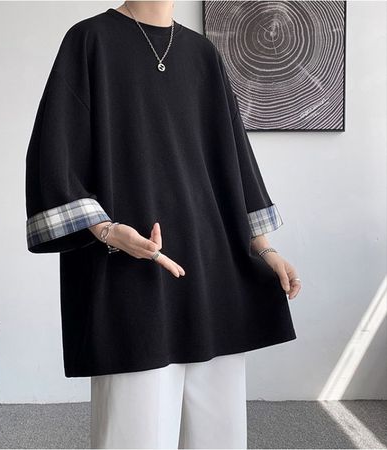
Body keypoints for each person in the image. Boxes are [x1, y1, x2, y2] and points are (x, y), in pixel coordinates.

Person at [25, 1, 302, 448]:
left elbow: (234, 159)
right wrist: (108, 231)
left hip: (212, 267)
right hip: (130, 268)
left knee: (219, 435)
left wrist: (265, 248)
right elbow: (56, 152)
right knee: (135, 433)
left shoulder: (202, 53)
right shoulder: (90, 40)